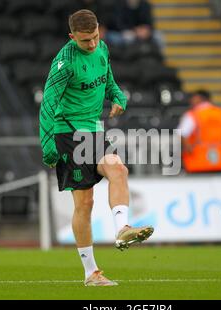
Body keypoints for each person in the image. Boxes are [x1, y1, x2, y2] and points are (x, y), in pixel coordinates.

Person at [39, 9, 154, 287]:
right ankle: (91, 273)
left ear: (99, 30)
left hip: (94, 130)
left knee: (118, 169)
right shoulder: (64, 63)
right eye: (84, 41)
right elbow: (47, 105)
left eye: (93, 38)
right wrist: (48, 146)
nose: (91, 45)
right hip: (68, 132)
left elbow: (109, 81)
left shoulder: (102, 48)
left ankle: (123, 229)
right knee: (85, 203)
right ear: (71, 37)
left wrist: (118, 96)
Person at [177, 90, 221, 173]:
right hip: (219, 161)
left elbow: (182, 133)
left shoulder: (193, 114)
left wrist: (188, 148)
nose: (191, 101)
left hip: (197, 162)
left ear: (199, 99)